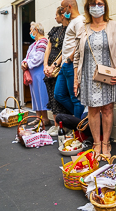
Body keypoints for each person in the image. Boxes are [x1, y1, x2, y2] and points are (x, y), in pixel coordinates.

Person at [73, 0, 116, 159]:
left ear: (105, 6)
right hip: (89, 75)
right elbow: (77, 56)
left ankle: (106, 143)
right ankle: (96, 143)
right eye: (93, 5)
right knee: (93, 110)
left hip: (109, 74)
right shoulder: (83, 28)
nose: (97, 7)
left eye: (100, 4)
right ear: (88, 8)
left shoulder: (114, 25)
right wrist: (76, 79)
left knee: (108, 108)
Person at [55, 0, 85, 119]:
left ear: (69, 7)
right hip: (65, 65)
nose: (62, 12)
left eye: (62, 8)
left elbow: (81, 43)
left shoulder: (79, 21)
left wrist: (69, 59)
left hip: (71, 64)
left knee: (75, 98)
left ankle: (78, 131)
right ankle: (81, 119)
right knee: (59, 94)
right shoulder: (72, 22)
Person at [44, 7, 72, 136]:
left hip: (59, 66)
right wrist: (46, 65)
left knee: (59, 97)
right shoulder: (54, 30)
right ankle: (55, 124)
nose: (55, 18)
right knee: (51, 95)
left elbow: (65, 50)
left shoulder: (69, 30)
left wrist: (55, 66)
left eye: (56, 15)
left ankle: (62, 124)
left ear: (62, 15)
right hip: (50, 67)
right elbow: (48, 47)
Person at [21, 22, 50, 125]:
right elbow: (28, 57)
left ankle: (45, 119)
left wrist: (27, 63)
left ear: (36, 30)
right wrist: (24, 62)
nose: (30, 32)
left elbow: (39, 58)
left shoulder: (43, 42)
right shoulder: (34, 44)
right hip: (34, 72)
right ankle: (38, 117)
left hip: (39, 72)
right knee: (35, 95)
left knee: (41, 94)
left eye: (31, 30)